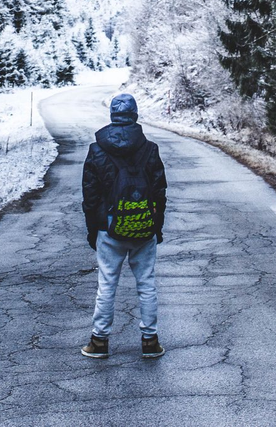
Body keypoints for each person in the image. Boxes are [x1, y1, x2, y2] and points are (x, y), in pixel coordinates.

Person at [80, 93, 167, 359]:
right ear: (135, 115)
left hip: (108, 228)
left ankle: (99, 341)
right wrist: (157, 227)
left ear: (112, 116)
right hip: (144, 227)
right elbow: (159, 191)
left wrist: (93, 230)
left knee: (106, 284)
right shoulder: (149, 149)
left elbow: (90, 196)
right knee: (146, 284)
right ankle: (150, 342)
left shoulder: (97, 149)